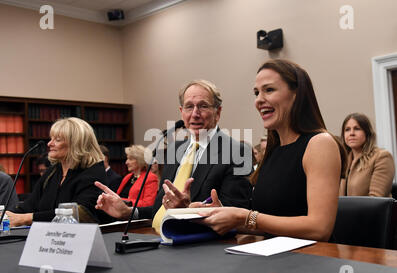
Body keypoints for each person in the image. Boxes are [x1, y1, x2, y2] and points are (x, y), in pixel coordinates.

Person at [192, 59, 346, 242]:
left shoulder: (320, 144)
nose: (259, 100)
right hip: (274, 260)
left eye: (269, 90)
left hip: (312, 261)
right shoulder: (274, 150)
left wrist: (245, 216)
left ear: (296, 94)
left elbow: (319, 229)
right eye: (257, 93)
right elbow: (268, 225)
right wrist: (224, 215)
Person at [95, 79, 253, 232]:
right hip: (156, 239)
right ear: (181, 112)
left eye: (203, 106)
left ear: (217, 112)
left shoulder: (237, 152)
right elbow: (161, 209)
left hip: (197, 246)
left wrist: (186, 212)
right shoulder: (173, 150)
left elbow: (236, 217)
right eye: (189, 107)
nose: (195, 114)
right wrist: (129, 212)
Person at [6, 117, 112, 226]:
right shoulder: (53, 171)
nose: (49, 144)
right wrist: (7, 215)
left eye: (57, 140)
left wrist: (27, 218)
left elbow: (78, 214)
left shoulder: (93, 173)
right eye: (51, 138)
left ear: (75, 143)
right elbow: (29, 205)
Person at [339, 113, 395, 197]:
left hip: (371, 210)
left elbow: (376, 199)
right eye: (347, 129)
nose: (351, 133)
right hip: (345, 210)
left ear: (367, 133)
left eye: (357, 129)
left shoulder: (382, 157)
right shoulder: (343, 161)